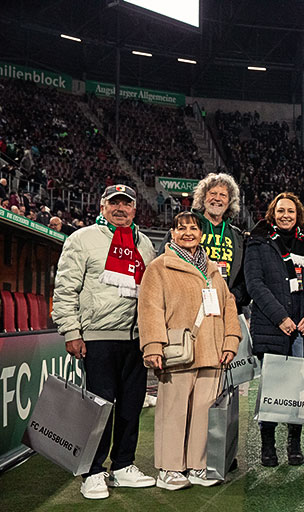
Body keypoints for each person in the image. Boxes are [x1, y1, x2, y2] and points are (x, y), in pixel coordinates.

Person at [52, 184, 156, 500]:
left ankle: (123, 465)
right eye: (114, 203)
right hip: (98, 337)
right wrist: (71, 331)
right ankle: (93, 471)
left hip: (135, 338)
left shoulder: (145, 244)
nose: (120, 208)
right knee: (100, 408)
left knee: (131, 407)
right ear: (102, 206)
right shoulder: (81, 239)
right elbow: (65, 289)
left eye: (127, 203)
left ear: (135, 209)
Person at [138, 211, 241, 489]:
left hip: (213, 352)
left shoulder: (212, 269)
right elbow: (149, 309)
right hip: (177, 352)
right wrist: (152, 345)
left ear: (200, 234)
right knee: (173, 411)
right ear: (172, 234)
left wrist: (231, 340)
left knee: (204, 413)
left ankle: (197, 465)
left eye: (193, 228)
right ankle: (170, 469)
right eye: (181, 228)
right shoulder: (158, 267)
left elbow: (228, 305)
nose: (187, 233)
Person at [244, 192, 304, 467]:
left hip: (303, 328)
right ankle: (268, 445)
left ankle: (294, 444)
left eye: (291, 211)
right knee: (272, 387)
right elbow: (255, 284)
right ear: (272, 213)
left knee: (298, 389)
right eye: (280, 211)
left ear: (298, 215)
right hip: (273, 326)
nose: (286, 216)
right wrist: (281, 317)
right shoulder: (258, 243)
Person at [161, 173, 249, 309]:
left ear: (229, 201)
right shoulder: (185, 228)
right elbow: (163, 262)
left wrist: (235, 296)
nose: (217, 199)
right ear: (203, 197)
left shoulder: (237, 236)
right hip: (187, 304)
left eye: (223, 195)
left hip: (224, 305)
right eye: (213, 193)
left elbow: (245, 275)